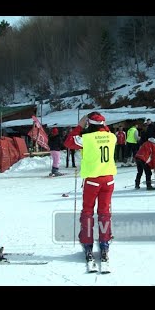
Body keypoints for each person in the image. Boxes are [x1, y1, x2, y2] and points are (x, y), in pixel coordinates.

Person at [64, 112, 117, 265]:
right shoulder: (111, 136)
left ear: (89, 124)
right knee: (104, 212)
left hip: (92, 181)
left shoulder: (86, 139)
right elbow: (104, 130)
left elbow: (68, 142)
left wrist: (80, 126)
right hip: (108, 180)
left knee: (88, 212)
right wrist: (100, 123)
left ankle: (87, 242)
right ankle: (105, 242)